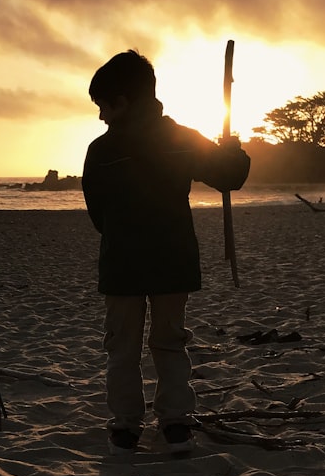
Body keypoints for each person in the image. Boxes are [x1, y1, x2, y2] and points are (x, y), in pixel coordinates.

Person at [81, 50, 250, 455]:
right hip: (172, 259)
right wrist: (233, 150)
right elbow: (230, 175)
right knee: (169, 341)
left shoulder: (102, 151)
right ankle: (175, 424)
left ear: (126, 100)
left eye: (106, 106)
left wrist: (232, 151)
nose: (102, 116)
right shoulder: (181, 139)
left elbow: (98, 214)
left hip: (123, 263)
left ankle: (127, 427)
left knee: (124, 347)